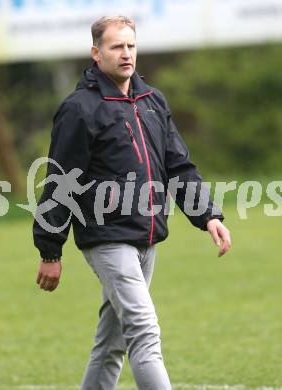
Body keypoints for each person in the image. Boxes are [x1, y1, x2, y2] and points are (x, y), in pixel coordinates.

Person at [33, 16, 231, 390]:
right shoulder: (80, 109)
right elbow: (60, 182)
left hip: (147, 236)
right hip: (106, 237)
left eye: (130, 46)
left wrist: (208, 216)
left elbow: (179, 165)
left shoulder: (152, 101)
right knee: (143, 329)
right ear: (96, 53)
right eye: (116, 47)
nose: (126, 54)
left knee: (112, 342)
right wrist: (50, 250)